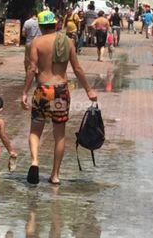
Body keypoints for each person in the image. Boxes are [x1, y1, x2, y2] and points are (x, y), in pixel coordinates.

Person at [22, 10, 98, 186]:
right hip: (60, 92)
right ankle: (55, 175)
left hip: (43, 90)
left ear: (41, 26)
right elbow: (77, 68)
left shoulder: (36, 43)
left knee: (35, 131)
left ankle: (35, 161)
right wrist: (89, 90)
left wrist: (25, 91)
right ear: (55, 24)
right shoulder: (68, 42)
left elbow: (32, 69)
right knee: (59, 135)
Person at [22, 8, 42, 74]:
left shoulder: (27, 22)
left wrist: (28, 36)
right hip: (39, 43)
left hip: (29, 42)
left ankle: (28, 74)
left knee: (27, 60)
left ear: (30, 14)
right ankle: (37, 74)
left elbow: (23, 34)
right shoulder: (40, 22)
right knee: (39, 60)